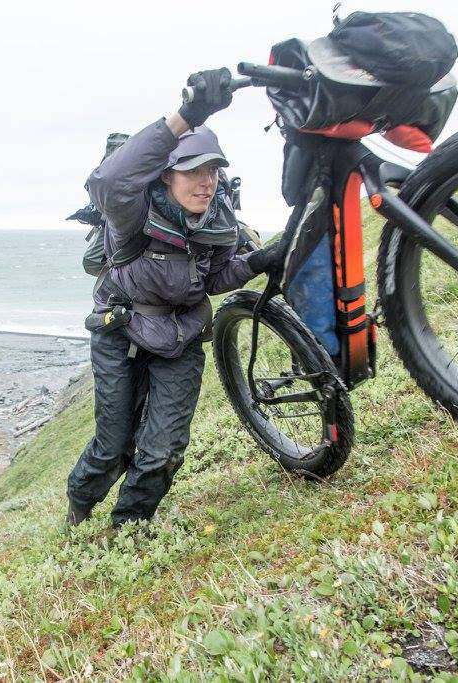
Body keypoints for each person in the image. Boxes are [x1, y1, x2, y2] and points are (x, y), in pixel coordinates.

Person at [66, 68, 287, 528]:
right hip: (121, 331)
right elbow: (108, 182)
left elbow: (216, 276)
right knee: (113, 448)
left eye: (212, 171)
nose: (205, 181)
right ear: (166, 175)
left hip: (182, 335)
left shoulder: (217, 219)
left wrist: (261, 260)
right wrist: (186, 116)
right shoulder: (133, 213)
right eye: (192, 170)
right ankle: (80, 506)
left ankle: (128, 528)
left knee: (163, 450)